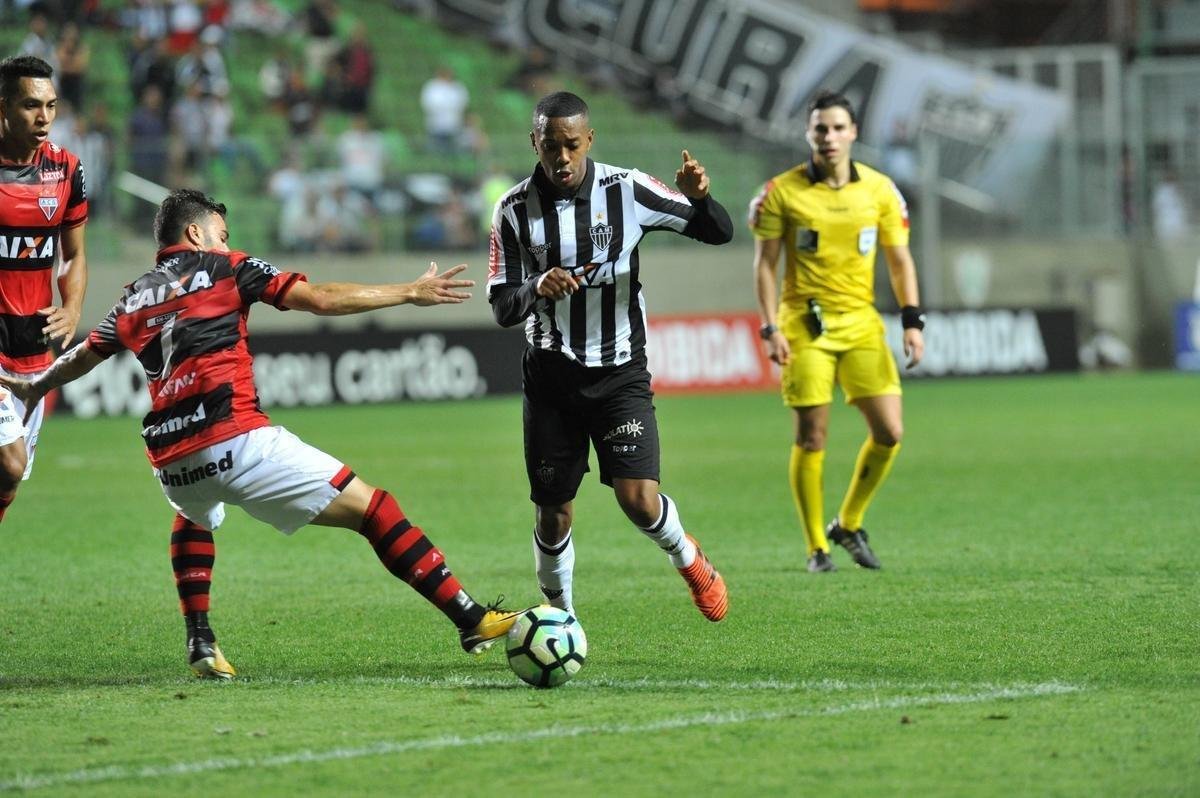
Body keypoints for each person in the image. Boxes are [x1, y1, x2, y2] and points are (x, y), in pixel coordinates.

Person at [0, 189, 523, 679]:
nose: (226, 241)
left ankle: (200, 640)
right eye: (221, 233)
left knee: (194, 515)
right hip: (236, 439)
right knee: (376, 510)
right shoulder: (226, 267)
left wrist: (31, 384)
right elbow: (317, 298)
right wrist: (408, 292)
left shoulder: (134, 296)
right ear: (198, 234)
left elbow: (82, 357)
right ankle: (470, 617)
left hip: (171, 463)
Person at [487, 91, 732, 622]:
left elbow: (718, 233)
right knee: (553, 513)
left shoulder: (628, 189)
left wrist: (702, 198)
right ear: (534, 143)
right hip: (551, 376)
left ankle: (689, 559)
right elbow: (503, 307)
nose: (562, 158)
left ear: (589, 139)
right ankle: (562, 620)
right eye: (551, 146)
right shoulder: (511, 210)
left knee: (639, 500)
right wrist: (535, 286)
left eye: (572, 145)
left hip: (620, 369)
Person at [749, 90, 925, 573]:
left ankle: (848, 523)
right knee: (812, 437)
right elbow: (765, 266)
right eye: (820, 128)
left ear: (854, 133)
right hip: (804, 325)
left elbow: (900, 259)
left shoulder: (881, 191)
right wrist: (769, 327)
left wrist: (912, 319)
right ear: (808, 133)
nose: (828, 137)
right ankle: (816, 548)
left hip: (861, 322)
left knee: (889, 431)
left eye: (837, 127)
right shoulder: (781, 192)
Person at [0, 54, 89, 522]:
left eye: (52, 106)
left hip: (35, 350)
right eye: (32, 105)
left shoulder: (67, 170)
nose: (45, 118)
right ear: (2, 107)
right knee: (9, 463)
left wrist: (73, 307)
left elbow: (74, 255)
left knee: (8, 480)